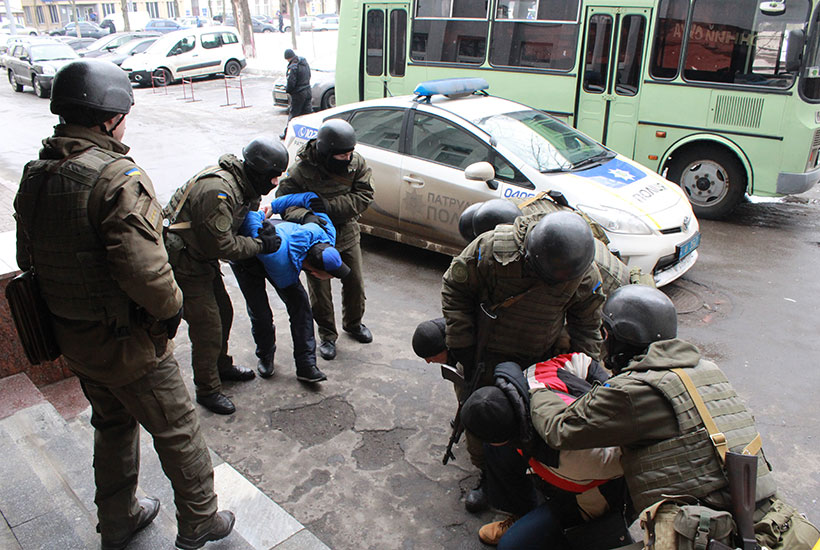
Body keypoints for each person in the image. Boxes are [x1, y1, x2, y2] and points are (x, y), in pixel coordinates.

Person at [13, 59, 234, 550]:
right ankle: (200, 520)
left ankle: (117, 521)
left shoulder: (36, 175)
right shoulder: (116, 178)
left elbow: (27, 259)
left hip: (74, 338)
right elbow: (147, 272)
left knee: (111, 425)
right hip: (128, 343)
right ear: (110, 117)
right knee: (178, 429)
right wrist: (172, 309)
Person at [531, 285, 820, 550]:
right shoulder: (708, 370)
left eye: (607, 334)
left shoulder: (635, 390)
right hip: (772, 524)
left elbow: (560, 429)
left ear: (618, 336)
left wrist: (537, 386)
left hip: (712, 534)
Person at [164, 137, 287, 415]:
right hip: (186, 261)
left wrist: (262, 228)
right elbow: (221, 246)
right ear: (258, 171)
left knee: (224, 313)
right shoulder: (218, 191)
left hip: (201, 258)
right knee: (208, 326)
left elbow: (244, 219)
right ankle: (207, 389)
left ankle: (220, 366)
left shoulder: (246, 186)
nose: (275, 183)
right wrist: (260, 245)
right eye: (273, 176)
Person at [460, 359, 629, 549]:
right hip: (566, 464)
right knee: (497, 453)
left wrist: (612, 403)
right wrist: (605, 391)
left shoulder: (569, 457)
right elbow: (585, 362)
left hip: (592, 494)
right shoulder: (530, 375)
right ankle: (525, 512)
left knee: (512, 546)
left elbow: (625, 458)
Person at [277, 119, 375, 361]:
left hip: (346, 231)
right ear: (326, 152)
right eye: (342, 155)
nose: (348, 158)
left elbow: (365, 195)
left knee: (354, 283)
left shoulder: (356, 163)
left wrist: (327, 208)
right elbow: (284, 203)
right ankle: (327, 335)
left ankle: (354, 323)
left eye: (350, 153)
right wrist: (308, 216)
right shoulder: (301, 171)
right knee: (319, 291)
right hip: (315, 237)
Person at [232, 191, 351, 383]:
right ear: (314, 273)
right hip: (248, 257)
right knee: (261, 312)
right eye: (330, 275)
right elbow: (249, 219)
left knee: (301, 309)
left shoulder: (327, 232)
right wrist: (261, 214)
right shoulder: (282, 265)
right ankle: (265, 356)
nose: (332, 278)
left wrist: (275, 206)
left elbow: (311, 198)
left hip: (278, 243)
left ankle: (306, 366)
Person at [280, 48, 312, 140]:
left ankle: (287, 133)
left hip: (299, 94)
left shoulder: (293, 67)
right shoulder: (304, 63)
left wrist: (288, 90)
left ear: (287, 58)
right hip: (308, 90)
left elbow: (291, 82)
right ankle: (309, 133)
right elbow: (309, 75)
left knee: (293, 114)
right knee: (307, 114)